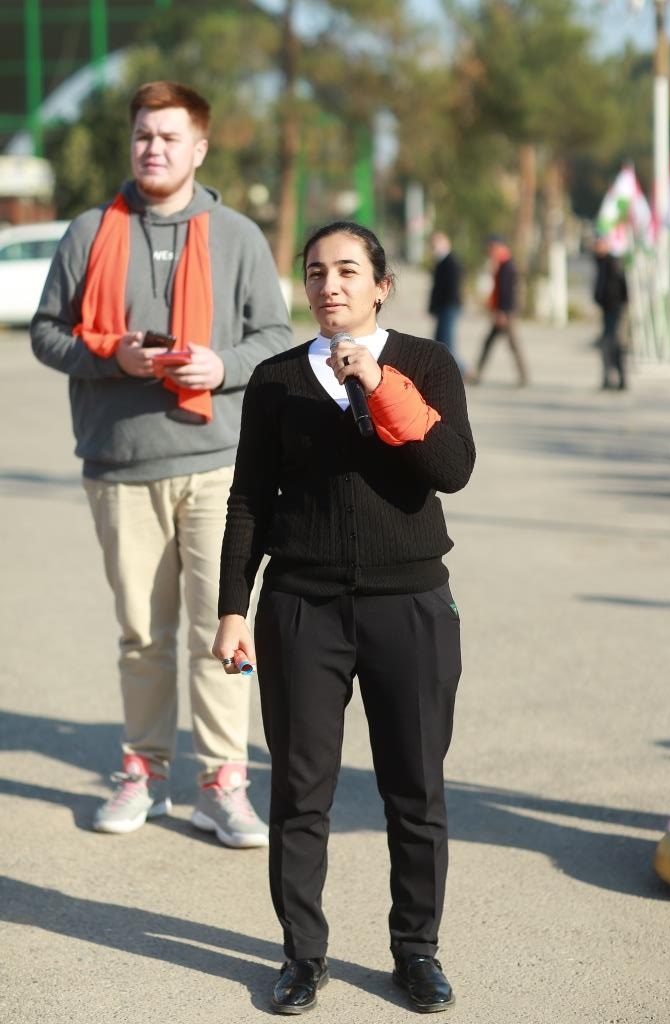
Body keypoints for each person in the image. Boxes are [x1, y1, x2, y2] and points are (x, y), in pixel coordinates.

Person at [213, 220, 476, 1013]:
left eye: (348, 271)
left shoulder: (426, 363)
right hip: (302, 606)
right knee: (300, 792)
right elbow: (248, 499)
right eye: (315, 271)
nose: (329, 285)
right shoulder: (275, 378)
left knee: (415, 790)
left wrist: (377, 381)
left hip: (410, 604)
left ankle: (416, 952)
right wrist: (232, 608)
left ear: (381, 286)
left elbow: (450, 470)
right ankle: (302, 955)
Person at [30, 81, 292, 846]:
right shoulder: (88, 230)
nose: (154, 148)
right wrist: (112, 357)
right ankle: (143, 771)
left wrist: (221, 366)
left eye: (170, 137)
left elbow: (276, 336)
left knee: (222, 630)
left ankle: (221, 784)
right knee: (142, 634)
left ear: (198, 148)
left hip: (219, 467)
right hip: (120, 464)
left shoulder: (237, 235)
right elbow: (47, 333)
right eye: (144, 135)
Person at [471, 235, 529, 386]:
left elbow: (507, 292)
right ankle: (477, 374)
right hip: (501, 312)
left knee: (511, 345)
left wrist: (502, 312)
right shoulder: (501, 264)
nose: (490, 251)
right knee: (490, 343)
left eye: (492, 248)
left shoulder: (507, 266)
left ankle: (523, 377)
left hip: (505, 313)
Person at [593, 234, 628, 390]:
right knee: (607, 344)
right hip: (606, 308)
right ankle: (608, 377)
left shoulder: (612, 263)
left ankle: (619, 378)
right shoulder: (600, 262)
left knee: (611, 343)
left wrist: (620, 304)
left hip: (614, 308)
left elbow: (621, 286)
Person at [428, 230, 465, 372]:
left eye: (436, 244)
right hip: (443, 307)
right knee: (440, 339)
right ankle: (442, 368)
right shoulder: (441, 262)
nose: (434, 248)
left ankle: (460, 369)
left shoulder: (451, 261)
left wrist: (445, 305)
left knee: (446, 340)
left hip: (449, 307)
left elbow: (452, 287)